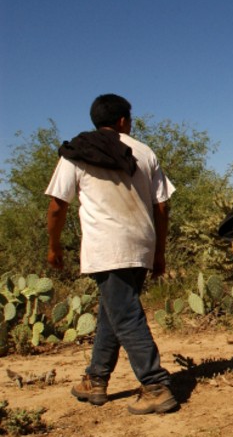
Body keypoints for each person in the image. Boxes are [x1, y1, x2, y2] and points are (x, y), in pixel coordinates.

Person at [45, 94, 178, 415]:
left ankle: (155, 386)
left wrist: (54, 245)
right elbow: (161, 206)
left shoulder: (76, 152)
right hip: (142, 244)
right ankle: (95, 379)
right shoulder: (144, 152)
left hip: (106, 246)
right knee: (113, 312)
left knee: (125, 315)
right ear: (122, 121)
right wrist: (159, 251)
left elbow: (57, 205)